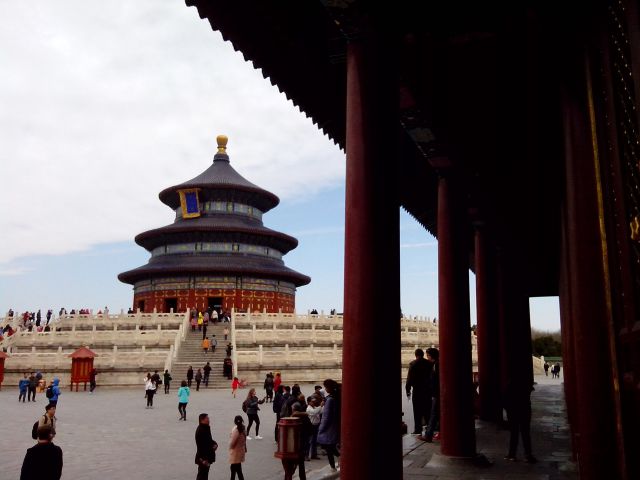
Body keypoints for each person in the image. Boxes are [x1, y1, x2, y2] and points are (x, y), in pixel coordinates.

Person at [504, 376, 537, 463]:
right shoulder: (525, 386)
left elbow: (505, 401)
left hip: (513, 412)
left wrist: (508, 411)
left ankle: (512, 455)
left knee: (514, 434)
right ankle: (528, 455)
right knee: (525, 433)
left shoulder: (509, 387)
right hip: (524, 412)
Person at [405, 348, 434, 435]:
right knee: (427, 410)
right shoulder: (429, 364)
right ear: (423, 354)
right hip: (427, 390)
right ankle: (429, 428)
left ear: (416, 355)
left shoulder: (413, 364)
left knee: (417, 410)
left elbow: (409, 379)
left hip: (417, 390)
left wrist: (408, 390)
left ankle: (418, 429)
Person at [317, 379, 340, 471]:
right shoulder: (336, 397)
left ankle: (333, 467)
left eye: (326, 387)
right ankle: (338, 461)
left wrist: (321, 429)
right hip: (335, 426)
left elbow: (326, 417)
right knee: (332, 447)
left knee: (329, 448)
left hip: (329, 428)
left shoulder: (330, 400)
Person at [420, 348, 440, 442]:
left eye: (428, 355)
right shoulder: (436, 364)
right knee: (437, 414)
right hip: (437, 392)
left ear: (431, 355)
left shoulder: (436, 365)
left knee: (433, 414)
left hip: (437, 393)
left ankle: (428, 435)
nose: (427, 357)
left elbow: (435, 381)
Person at [292, 402, 312, 479]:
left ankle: (289, 476)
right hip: (304, 442)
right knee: (301, 463)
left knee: (292, 464)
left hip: (295, 444)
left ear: (294, 409)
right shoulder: (305, 417)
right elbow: (311, 430)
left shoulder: (293, 418)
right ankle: (302, 478)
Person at [195, 413, 218, 480]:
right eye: (207, 418)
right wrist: (203, 460)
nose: (209, 420)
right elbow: (201, 446)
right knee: (201, 475)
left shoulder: (205, 428)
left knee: (204, 475)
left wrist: (215, 444)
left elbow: (209, 440)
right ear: (202, 420)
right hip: (204, 458)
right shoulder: (201, 430)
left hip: (207, 457)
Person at [229, 415, 247, 480]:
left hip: (235, 452)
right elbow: (245, 440)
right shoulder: (243, 428)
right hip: (241, 451)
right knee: (237, 469)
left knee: (235, 469)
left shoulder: (236, 430)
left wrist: (230, 447)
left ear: (235, 421)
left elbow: (232, 443)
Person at [306, 396, 322, 460]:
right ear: (309, 402)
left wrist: (322, 406)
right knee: (310, 441)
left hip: (316, 425)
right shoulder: (309, 409)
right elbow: (314, 412)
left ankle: (313, 454)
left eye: (314, 401)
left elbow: (320, 411)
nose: (314, 402)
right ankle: (307, 455)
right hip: (311, 426)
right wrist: (321, 406)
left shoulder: (315, 407)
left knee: (314, 441)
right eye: (312, 401)